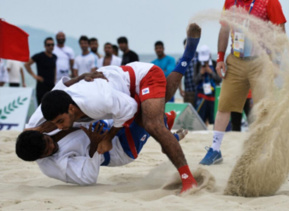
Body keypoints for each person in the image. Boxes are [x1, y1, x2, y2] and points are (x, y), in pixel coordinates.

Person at [40, 23, 201, 193]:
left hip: (141, 77)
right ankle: (185, 61)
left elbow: (129, 107)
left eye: (60, 121)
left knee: (152, 124)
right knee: (155, 109)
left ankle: (188, 180)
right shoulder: (62, 106)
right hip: (122, 97)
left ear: (71, 109)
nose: (59, 126)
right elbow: (52, 103)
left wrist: (108, 138)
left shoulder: (94, 102)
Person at [200, 0, 287, 165]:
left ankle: (264, 150)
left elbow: (280, 31)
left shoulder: (270, 2)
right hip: (236, 60)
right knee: (224, 105)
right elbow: (224, 29)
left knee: (264, 107)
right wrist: (219, 58)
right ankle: (215, 149)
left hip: (261, 61)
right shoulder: (230, 2)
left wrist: (276, 61)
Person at [16, 113, 183, 185]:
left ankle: (164, 131)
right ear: (40, 158)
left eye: (48, 140)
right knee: (147, 116)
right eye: (47, 150)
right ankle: (166, 137)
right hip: (119, 150)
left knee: (138, 103)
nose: (52, 145)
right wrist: (95, 145)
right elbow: (88, 178)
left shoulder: (39, 125)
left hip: (110, 128)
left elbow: (57, 94)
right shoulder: (52, 167)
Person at [194, 45, 221, 126]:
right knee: (200, 118)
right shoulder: (198, 65)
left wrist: (211, 73)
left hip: (213, 95)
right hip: (200, 95)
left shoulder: (214, 63)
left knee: (213, 118)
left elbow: (219, 79)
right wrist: (200, 74)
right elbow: (194, 81)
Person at [24, 37, 57, 105]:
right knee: (41, 106)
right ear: (45, 46)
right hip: (41, 86)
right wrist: (35, 76)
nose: (51, 46)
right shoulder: (39, 56)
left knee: (51, 107)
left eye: (52, 44)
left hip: (51, 86)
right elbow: (27, 64)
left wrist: (55, 80)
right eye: (48, 45)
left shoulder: (54, 57)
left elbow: (54, 69)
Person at [178, 39, 198, 107]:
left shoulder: (200, 57)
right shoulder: (181, 60)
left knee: (202, 113)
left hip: (200, 91)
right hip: (188, 91)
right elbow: (178, 76)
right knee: (189, 112)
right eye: (187, 45)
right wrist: (180, 89)